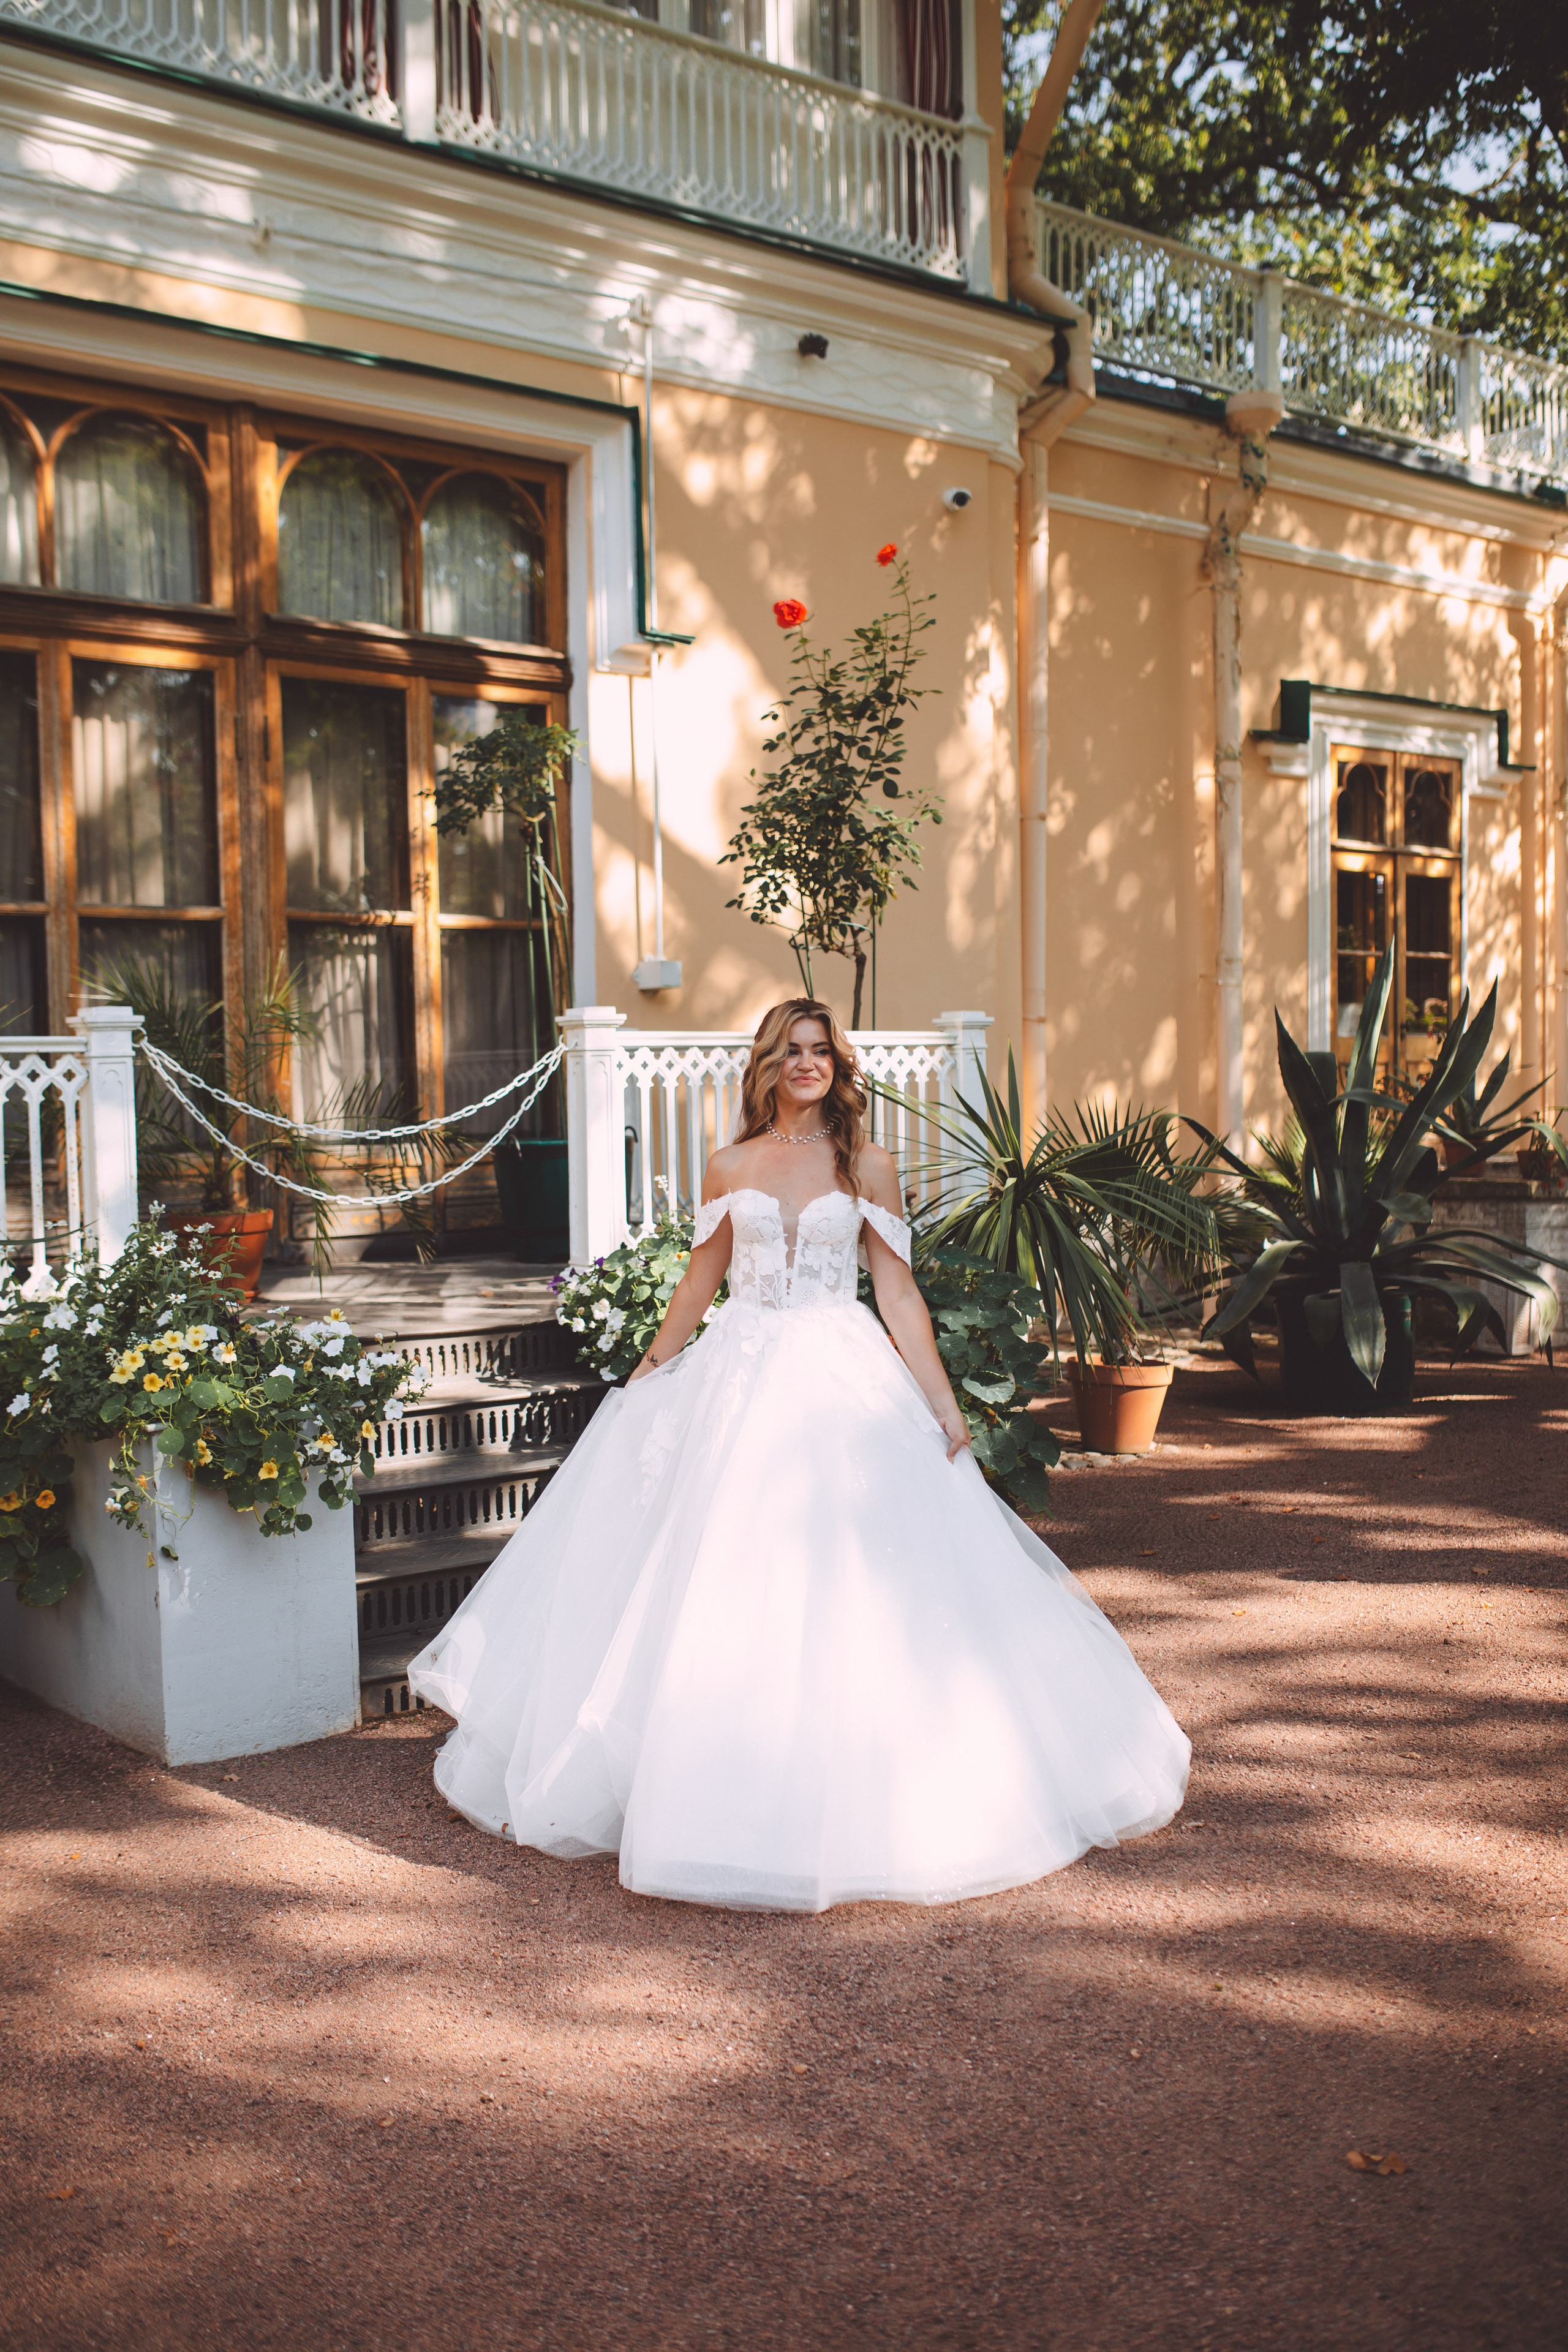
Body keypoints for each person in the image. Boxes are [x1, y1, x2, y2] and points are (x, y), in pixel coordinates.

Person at [408, 1000, 1188, 1911]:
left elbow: (898, 1293)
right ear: (768, 1065)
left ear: (838, 1066)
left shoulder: (869, 1167)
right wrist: (647, 1372)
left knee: (856, 1570)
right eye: (792, 1050)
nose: (807, 1063)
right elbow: (699, 1281)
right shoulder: (729, 1164)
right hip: (736, 1376)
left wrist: (944, 1404)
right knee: (722, 1571)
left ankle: (857, 1791)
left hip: (840, 1373)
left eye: (821, 1051)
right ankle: (711, 1784)